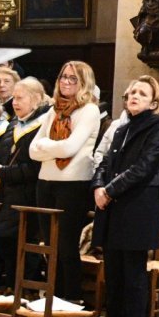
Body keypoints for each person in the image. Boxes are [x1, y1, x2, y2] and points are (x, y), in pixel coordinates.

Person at [91, 75, 159, 317]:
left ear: (153, 102)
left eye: (141, 93)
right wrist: (98, 186)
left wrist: (109, 190)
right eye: (131, 93)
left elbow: (144, 167)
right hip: (113, 204)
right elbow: (104, 161)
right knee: (113, 269)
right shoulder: (121, 128)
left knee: (133, 272)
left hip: (138, 204)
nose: (134, 97)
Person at [30, 61, 101, 304]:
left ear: (84, 83)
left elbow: (71, 146)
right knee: (50, 244)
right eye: (63, 77)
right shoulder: (53, 110)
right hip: (45, 182)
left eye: (73, 79)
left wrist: (47, 147)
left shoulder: (89, 110)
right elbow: (32, 150)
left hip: (73, 183)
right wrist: (56, 149)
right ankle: (54, 295)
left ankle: (71, 298)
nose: (67, 82)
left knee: (67, 245)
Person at [0, 78, 50, 288]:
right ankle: (6, 288)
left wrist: (3, 173)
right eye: (14, 98)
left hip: (27, 197)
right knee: (2, 242)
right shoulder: (14, 123)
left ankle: (22, 291)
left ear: (36, 99)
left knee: (22, 247)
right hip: (5, 196)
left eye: (20, 98)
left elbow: (34, 168)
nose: (14, 102)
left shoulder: (43, 125)